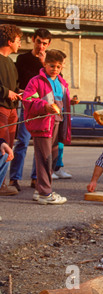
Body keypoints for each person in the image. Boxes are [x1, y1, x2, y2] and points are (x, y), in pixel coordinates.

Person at [22, 49, 72, 205]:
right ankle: (45, 193)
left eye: (58, 66)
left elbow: (62, 100)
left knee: (53, 158)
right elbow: (28, 99)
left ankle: (40, 189)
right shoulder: (36, 81)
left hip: (58, 122)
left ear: (62, 66)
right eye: (52, 65)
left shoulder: (62, 82)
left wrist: (72, 102)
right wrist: (44, 106)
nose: (55, 69)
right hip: (44, 124)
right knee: (44, 158)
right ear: (45, 63)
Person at [9, 28, 52, 191]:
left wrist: (43, 64)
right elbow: (18, 81)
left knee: (41, 144)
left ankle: (36, 178)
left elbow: (54, 81)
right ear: (33, 40)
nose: (41, 46)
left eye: (44, 44)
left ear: (49, 44)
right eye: (38, 42)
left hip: (45, 106)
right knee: (22, 142)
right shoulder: (22, 58)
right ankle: (15, 178)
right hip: (28, 105)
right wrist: (21, 91)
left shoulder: (50, 59)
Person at [0, 24, 22, 196]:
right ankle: (1, 185)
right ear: (9, 41)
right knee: (2, 147)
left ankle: (3, 183)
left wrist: (19, 92)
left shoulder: (11, 62)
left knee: (9, 147)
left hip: (12, 110)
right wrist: (8, 92)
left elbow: (14, 86)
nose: (20, 44)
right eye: (18, 40)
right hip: (1, 108)